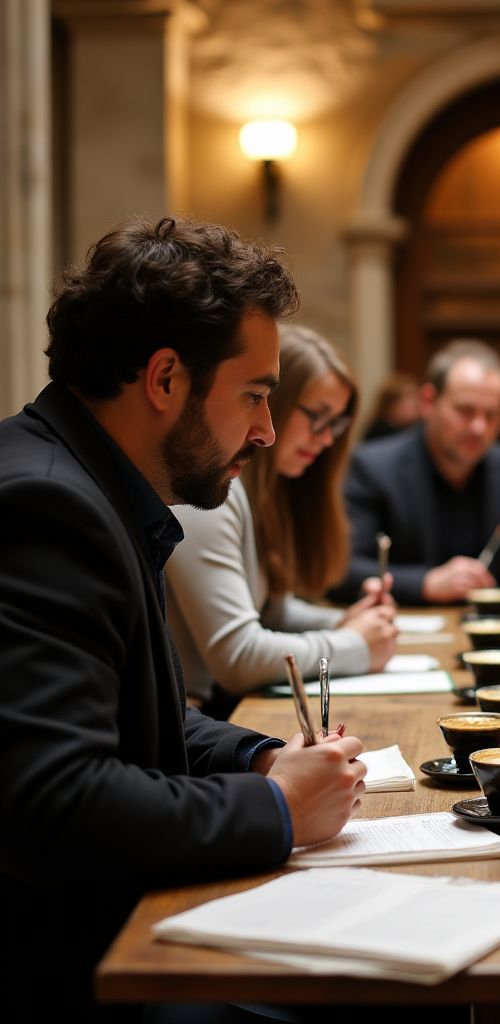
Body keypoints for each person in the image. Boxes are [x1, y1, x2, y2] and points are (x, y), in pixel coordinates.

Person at [0, 217, 367, 1019]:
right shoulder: (47, 508)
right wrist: (278, 811)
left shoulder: (83, 485)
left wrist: (262, 757)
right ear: (165, 379)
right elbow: (53, 804)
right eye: (257, 396)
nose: (268, 431)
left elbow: (138, 716)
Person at [167, 324, 398, 718]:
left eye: (337, 424)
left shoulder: (264, 493)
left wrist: (347, 619)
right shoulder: (210, 496)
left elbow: (272, 613)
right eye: (318, 418)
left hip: (215, 714)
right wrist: (354, 645)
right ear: (274, 402)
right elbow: (239, 656)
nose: (326, 440)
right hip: (193, 720)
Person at [330, 339, 500, 605]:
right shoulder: (372, 467)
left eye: (491, 415)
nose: (479, 427)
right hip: (406, 633)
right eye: (465, 411)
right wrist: (425, 582)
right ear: (429, 402)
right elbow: (339, 572)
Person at [361, 371, 421, 441]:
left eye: (416, 397)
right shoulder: (380, 433)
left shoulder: (411, 429)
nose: (416, 403)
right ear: (391, 405)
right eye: (409, 397)